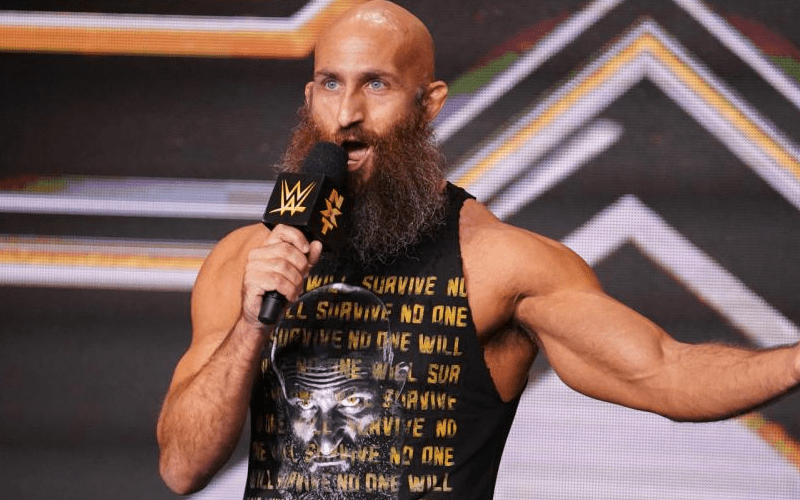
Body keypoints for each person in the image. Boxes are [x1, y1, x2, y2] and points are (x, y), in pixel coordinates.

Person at [157, 1, 800, 499]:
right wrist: (253, 325)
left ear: (428, 104)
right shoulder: (249, 259)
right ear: (309, 97)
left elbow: (664, 372)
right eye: (330, 83)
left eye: (376, 85)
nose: (346, 112)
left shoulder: (498, 263)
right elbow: (182, 468)